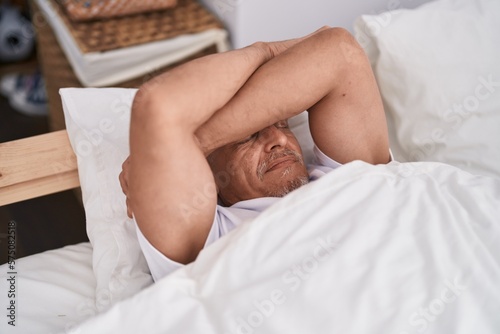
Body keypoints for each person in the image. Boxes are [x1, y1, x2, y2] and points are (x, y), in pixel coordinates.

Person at [119, 26, 391, 281]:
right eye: (246, 138)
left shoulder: (347, 176)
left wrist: (196, 144)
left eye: (283, 124)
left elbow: (340, 51)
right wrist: (263, 52)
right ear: (207, 176)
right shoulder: (208, 240)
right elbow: (157, 106)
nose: (279, 139)